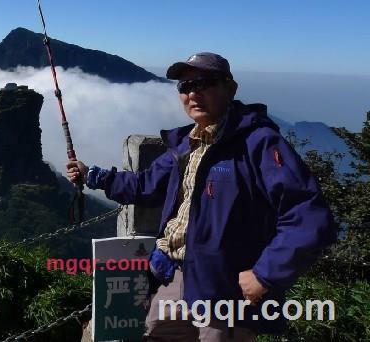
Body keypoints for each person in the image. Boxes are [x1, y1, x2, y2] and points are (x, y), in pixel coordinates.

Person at [66, 52, 337, 341]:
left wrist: (265, 274)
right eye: (185, 86)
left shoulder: (258, 143)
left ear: (230, 88)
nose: (193, 93)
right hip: (174, 275)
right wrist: (92, 175)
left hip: (226, 288)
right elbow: (146, 184)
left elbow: (308, 216)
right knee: (158, 332)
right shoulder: (187, 144)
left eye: (204, 83)